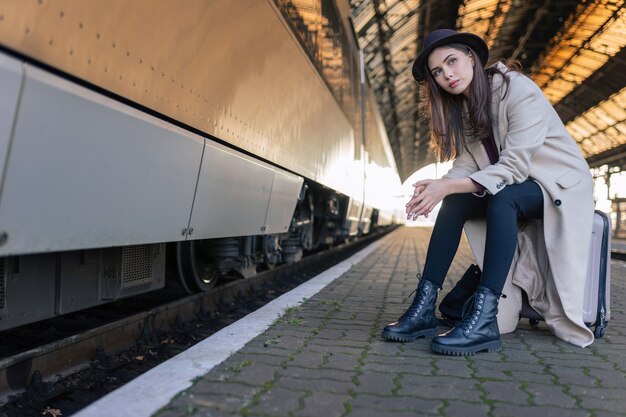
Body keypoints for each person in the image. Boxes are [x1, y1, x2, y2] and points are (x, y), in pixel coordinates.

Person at [381, 29, 596, 355]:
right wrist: (438, 190)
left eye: (451, 61)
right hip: (519, 184)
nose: (447, 75)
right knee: (454, 204)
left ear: (471, 57)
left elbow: (513, 168)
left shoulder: (517, 90)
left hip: (558, 185)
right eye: (437, 72)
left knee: (503, 199)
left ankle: (484, 319)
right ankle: (423, 308)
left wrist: (447, 185)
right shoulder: (469, 107)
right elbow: (467, 164)